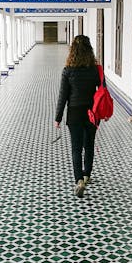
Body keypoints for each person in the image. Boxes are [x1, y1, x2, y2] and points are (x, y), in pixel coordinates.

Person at [54, 35, 100, 198]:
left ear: (72, 50)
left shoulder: (68, 71)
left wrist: (58, 117)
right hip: (92, 113)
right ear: (89, 50)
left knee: (76, 148)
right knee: (89, 145)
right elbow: (101, 91)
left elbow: (63, 96)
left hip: (74, 113)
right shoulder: (95, 69)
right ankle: (87, 174)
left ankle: (79, 180)